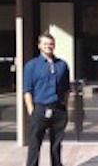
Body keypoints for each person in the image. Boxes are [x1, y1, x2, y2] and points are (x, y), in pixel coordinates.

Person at [23, 32, 70, 166]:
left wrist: (64, 107)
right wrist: (32, 110)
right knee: (34, 144)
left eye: (51, 44)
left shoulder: (62, 65)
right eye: (45, 44)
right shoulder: (31, 65)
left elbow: (66, 89)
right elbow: (27, 90)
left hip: (58, 110)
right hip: (40, 108)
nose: (48, 46)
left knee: (56, 144)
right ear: (39, 46)